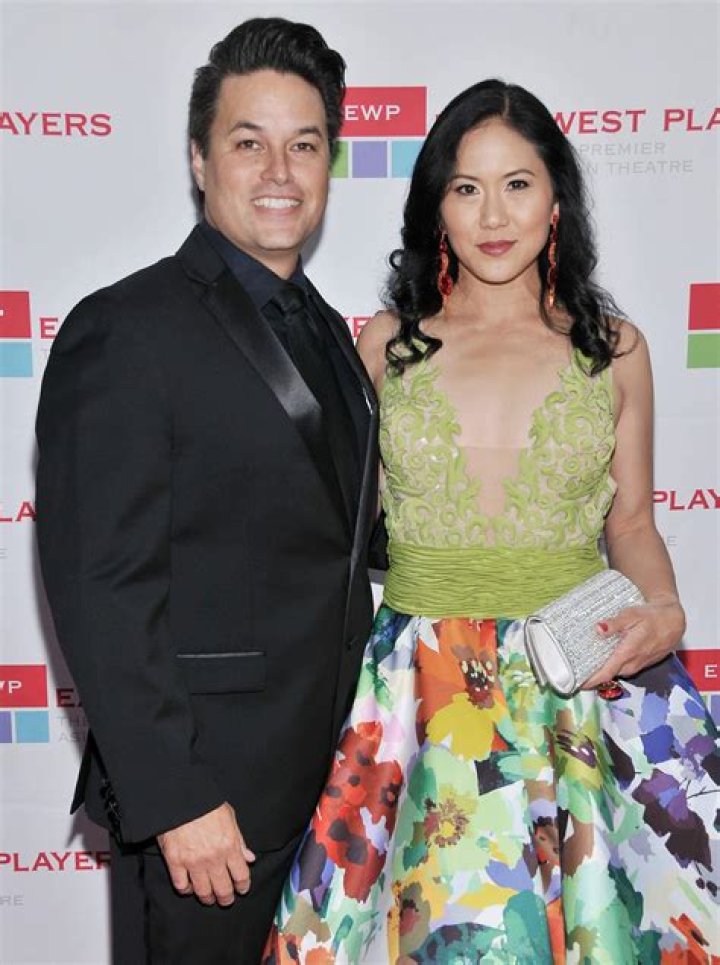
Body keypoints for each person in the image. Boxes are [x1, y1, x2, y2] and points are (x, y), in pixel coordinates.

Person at [264, 80, 720, 963]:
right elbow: (330, 531)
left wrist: (664, 608)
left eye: (517, 184)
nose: (494, 214)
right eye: (466, 188)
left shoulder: (613, 349)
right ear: (437, 206)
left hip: (576, 683)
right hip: (420, 690)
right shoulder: (386, 345)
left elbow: (631, 522)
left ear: (556, 200)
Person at [35, 18, 382, 964]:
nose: (280, 171)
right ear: (199, 159)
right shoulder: (126, 329)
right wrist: (177, 795)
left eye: (304, 144)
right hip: (210, 807)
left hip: (334, 793)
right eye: (248, 142)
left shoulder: (331, 331)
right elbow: (101, 584)